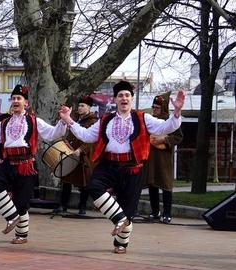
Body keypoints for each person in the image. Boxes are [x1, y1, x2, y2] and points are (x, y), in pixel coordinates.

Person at [59, 81, 185, 254]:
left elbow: (166, 127)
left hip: (133, 168)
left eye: (127, 95)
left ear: (131, 99)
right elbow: (87, 136)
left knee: (128, 209)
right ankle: (120, 219)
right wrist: (68, 120)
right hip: (109, 164)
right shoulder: (106, 120)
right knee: (94, 186)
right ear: (115, 99)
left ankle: (121, 244)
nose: (124, 98)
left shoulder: (143, 118)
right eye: (120, 95)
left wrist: (177, 111)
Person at [0, 85, 67, 244]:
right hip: (8, 163)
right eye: (13, 99)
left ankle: (21, 235)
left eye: (19, 98)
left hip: (26, 164)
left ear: (26, 103)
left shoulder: (34, 121)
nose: (16, 101)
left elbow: (53, 134)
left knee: (21, 202)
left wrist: (64, 120)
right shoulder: (4, 123)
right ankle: (11, 217)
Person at [144, 92, 183, 224]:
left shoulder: (170, 121)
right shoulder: (149, 121)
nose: (154, 109)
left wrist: (164, 138)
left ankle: (167, 213)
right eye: (153, 107)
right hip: (151, 158)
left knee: (166, 186)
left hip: (164, 158)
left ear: (164, 108)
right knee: (152, 184)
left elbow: (178, 136)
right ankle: (155, 212)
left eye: (157, 107)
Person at [55, 95, 98, 215]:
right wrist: (65, 142)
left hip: (84, 155)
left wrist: (80, 149)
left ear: (89, 107)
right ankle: (63, 205)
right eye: (79, 105)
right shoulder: (75, 119)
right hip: (71, 152)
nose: (79, 108)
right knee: (66, 180)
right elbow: (70, 134)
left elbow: (91, 139)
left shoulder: (93, 121)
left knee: (84, 182)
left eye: (82, 106)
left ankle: (82, 207)